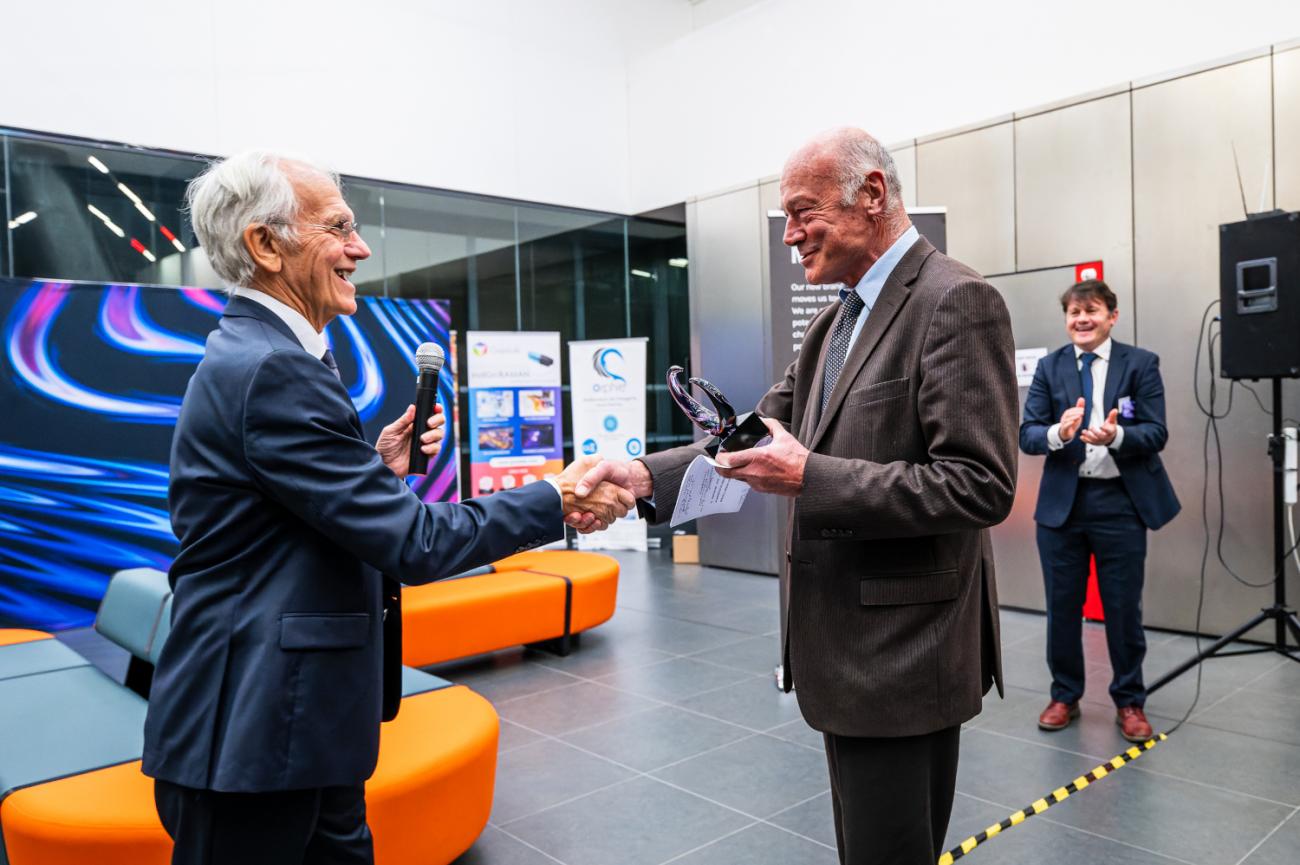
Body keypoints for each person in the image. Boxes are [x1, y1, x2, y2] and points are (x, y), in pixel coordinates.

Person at [141, 151, 632, 865]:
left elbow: (276, 520)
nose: (361, 247)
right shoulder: (275, 367)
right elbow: (416, 543)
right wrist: (554, 497)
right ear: (265, 244)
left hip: (298, 726)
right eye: (338, 227)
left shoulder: (270, 354)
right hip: (252, 732)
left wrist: (372, 469)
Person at [578, 127, 1018, 865]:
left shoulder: (955, 300)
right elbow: (754, 434)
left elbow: (979, 484)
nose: (790, 236)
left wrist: (811, 475)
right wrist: (646, 475)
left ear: (871, 195)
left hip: (904, 656)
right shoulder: (834, 321)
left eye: (802, 211)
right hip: (843, 649)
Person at [1020, 279, 1179, 743]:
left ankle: (1129, 701)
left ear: (1112, 316)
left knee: (1123, 609)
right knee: (1062, 608)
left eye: (1091, 311)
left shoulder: (1141, 364)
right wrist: (1059, 433)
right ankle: (1064, 695)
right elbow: (1028, 434)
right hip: (1062, 509)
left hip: (1120, 506)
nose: (1081, 320)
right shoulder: (1050, 369)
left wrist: (1118, 438)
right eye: (1073, 312)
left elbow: (1157, 432)